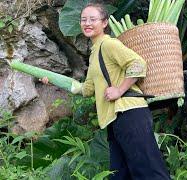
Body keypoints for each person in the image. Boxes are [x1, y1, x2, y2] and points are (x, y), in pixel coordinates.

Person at [42, 3, 170, 180]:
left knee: (149, 173)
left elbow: (138, 64)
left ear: (104, 23)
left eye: (92, 19)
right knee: (119, 176)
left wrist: (119, 90)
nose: (87, 23)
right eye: (83, 20)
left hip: (130, 114)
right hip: (115, 119)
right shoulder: (95, 52)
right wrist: (53, 80)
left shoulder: (109, 44)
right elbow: (86, 89)